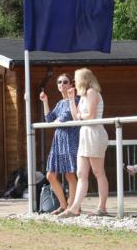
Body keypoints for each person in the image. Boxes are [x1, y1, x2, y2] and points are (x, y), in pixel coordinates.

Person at [59, 68, 109, 217]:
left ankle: (102, 207)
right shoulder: (82, 96)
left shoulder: (92, 92)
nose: (74, 82)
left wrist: (81, 116)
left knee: (98, 172)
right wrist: (71, 100)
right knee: (81, 173)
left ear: (84, 79)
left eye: (76, 79)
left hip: (94, 132)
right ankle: (74, 207)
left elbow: (91, 116)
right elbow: (76, 118)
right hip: (85, 133)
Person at [39, 73, 80, 214]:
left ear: (71, 84)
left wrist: (56, 122)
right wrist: (45, 101)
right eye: (59, 82)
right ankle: (63, 205)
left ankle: (72, 207)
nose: (62, 84)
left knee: (70, 175)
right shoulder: (60, 103)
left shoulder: (75, 100)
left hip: (70, 139)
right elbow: (49, 119)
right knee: (50, 175)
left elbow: (64, 118)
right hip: (58, 141)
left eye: (65, 82)